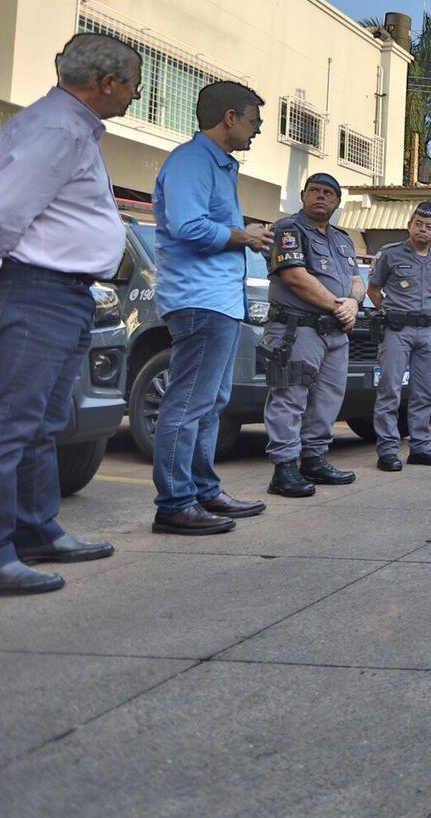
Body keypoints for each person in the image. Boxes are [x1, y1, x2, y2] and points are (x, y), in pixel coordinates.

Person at [0, 33, 134, 594]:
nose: (135, 95)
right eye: (134, 84)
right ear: (105, 83)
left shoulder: (70, 127)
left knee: (41, 425)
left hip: (61, 294)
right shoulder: (56, 129)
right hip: (35, 291)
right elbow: (1, 213)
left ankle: (36, 529)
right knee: (9, 425)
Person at [149, 80, 271, 534]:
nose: (257, 131)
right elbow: (186, 226)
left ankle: (203, 490)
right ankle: (175, 502)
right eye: (254, 121)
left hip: (218, 301)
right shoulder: (191, 162)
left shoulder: (219, 166)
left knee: (211, 401)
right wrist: (244, 235)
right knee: (188, 403)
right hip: (199, 301)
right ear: (230, 118)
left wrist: (246, 237)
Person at [261, 173, 363, 497]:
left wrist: (354, 303)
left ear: (337, 202)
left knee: (327, 400)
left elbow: (357, 279)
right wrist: (339, 305)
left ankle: (314, 460)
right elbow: (294, 277)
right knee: (290, 397)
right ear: (303, 195)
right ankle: (284, 468)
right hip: (297, 328)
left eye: (328, 193)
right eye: (315, 191)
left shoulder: (343, 239)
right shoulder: (288, 229)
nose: (321, 197)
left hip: (334, 332)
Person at [367, 200, 431, 472]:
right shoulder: (390, 254)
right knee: (390, 390)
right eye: (418, 224)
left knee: (424, 392)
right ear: (409, 226)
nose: (422, 230)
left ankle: (420, 447)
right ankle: (388, 450)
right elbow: (373, 290)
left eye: (429, 227)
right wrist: (391, 312)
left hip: (428, 332)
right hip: (397, 331)